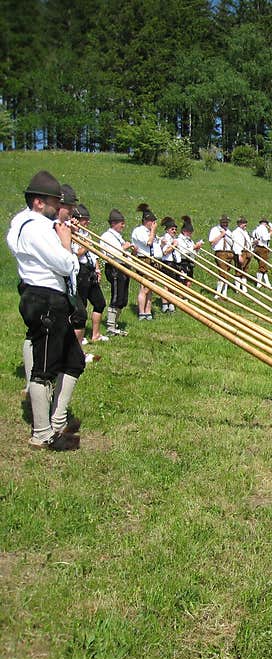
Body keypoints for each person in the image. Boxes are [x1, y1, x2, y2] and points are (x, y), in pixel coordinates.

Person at [7, 171, 83, 450]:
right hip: (45, 299)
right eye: (54, 201)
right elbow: (65, 265)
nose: (58, 206)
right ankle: (42, 433)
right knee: (44, 368)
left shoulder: (22, 222)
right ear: (39, 202)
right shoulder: (37, 227)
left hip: (48, 298)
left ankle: (58, 420)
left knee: (74, 362)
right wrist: (66, 244)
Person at [71, 204, 108, 345]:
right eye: (85, 219)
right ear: (77, 219)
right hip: (80, 270)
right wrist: (86, 245)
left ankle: (96, 334)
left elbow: (94, 255)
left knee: (100, 303)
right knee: (82, 305)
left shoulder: (86, 234)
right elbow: (77, 252)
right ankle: (80, 336)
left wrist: (98, 270)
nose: (87, 222)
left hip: (91, 270)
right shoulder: (73, 234)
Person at [100, 208, 134, 335]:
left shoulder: (118, 236)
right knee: (116, 296)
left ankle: (115, 323)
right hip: (114, 268)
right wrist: (123, 248)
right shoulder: (106, 236)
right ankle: (110, 326)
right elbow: (108, 254)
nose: (123, 226)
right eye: (121, 223)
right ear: (114, 223)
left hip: (123, 267)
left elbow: (124, 253)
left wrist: (131, 252)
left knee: (122, 298)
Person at [131, 203, 158, 319]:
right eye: (151, 221)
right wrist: (153, 231)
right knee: (144, 287)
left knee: (150, 288)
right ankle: (142, 312)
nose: (153, 224)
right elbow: (148, 242)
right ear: (146, 221)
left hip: (152, 259)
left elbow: (155, 244)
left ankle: (148, 311)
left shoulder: (150, 232)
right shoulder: (139, 231)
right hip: (144, 259)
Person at [209, 214, 235, 298]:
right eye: (223, 222)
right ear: (220, 222)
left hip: (229, 252)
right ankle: (218, 294)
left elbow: (232, 243)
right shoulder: (215, 230)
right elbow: (212, 242)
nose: (225, 224)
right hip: (220, 253)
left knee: (226, 273)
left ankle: (224, 293)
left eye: (226, 222)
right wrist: (221, 235)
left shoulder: (229, 231)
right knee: (222, 272)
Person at [156, 216, 179, 311]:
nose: (174, 231)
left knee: (173, 284)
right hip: (167, 262)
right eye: (172, 229)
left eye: (175, 229)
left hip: (174, 262)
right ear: (167, 230)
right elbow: (164, 252)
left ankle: (171, 303)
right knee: (166, 284)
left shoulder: (174, 239)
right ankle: (165, 304)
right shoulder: (164, 239)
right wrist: (173, 246)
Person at [176, 216, 203, 289]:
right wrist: (194, 247)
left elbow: (193, 252)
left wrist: (197, 248)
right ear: (184, 231)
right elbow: (183, 251)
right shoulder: (179, 240)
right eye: (189, 232)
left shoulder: (190, 241)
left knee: (189, 281)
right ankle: (181, 297)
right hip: (183, 262)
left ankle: (186, 298)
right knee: (182, 281)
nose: (190, 234)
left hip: (190, 261)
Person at [230, 216, 251, 293]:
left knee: (245, 270)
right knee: (238, 270)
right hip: (240, 252)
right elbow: (236, 244)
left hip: (247, 252)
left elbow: (247, 242)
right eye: (243, 223)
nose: (245, 224)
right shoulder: (236, 232)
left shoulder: (245, 232)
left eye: (245, 223)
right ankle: (237, 289)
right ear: (239, 224)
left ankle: (244, 288)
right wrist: (239, 255)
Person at [251, 217, 272, 288]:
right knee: (262, 265)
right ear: (265, 223)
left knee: (263, 265)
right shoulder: (263, 229)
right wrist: (271, 232)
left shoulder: (255, 229)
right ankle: (259, 283)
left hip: (256, 248)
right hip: (262, 248)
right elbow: (265, 238)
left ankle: (267, 282)